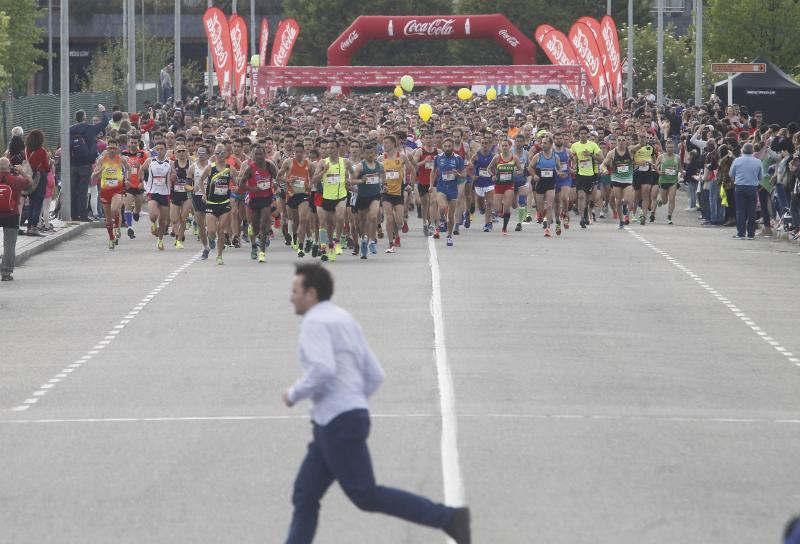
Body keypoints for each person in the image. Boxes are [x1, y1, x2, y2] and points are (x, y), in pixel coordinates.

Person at [283, 263, 470, 544]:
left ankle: (448, 518)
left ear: (311, 294)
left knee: (365, 494)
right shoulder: (344, 318)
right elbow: (375, 374)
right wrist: (354, 402)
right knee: (305, 493)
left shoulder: (314, 322)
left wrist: (294, 393)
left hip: (336, 422)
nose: (291, 296)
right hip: (336, 420)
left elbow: (322, 369)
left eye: (295, 290)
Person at [69, 104, 109, 221]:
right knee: (82, 191)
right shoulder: (90, 128)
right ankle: (83, 215)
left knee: (73, 190)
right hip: (86, 164)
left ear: (76, 118)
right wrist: (103, 111)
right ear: (85, 117)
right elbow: (105, 123)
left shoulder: (70, 130)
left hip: (73, 164)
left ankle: (74, 215)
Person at [0, 157, 34, 281]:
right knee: (9, 245)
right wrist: (22, 172)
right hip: (11, 215)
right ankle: (6, 273)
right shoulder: (16, 180)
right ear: (10, 167)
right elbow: (30, 182)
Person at [728, 142, 763, 240]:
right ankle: (751, 233)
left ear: (742, 150)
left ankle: (741, 233)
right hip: (752, 187)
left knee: (740, 210)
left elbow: (731, 173)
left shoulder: (737, 160)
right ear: (753, 150)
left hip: (740, 187)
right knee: (752, 210)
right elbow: (761, 176)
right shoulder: (758, 161)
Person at [23, 129, 50, 237]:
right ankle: (34, 227)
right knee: (38, 202)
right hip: (40, 177)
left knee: (31, 203)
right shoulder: (42, 151)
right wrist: (50, 163)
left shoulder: (26, 150)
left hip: (29, 177)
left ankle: (29, 227)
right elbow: (47, 168)